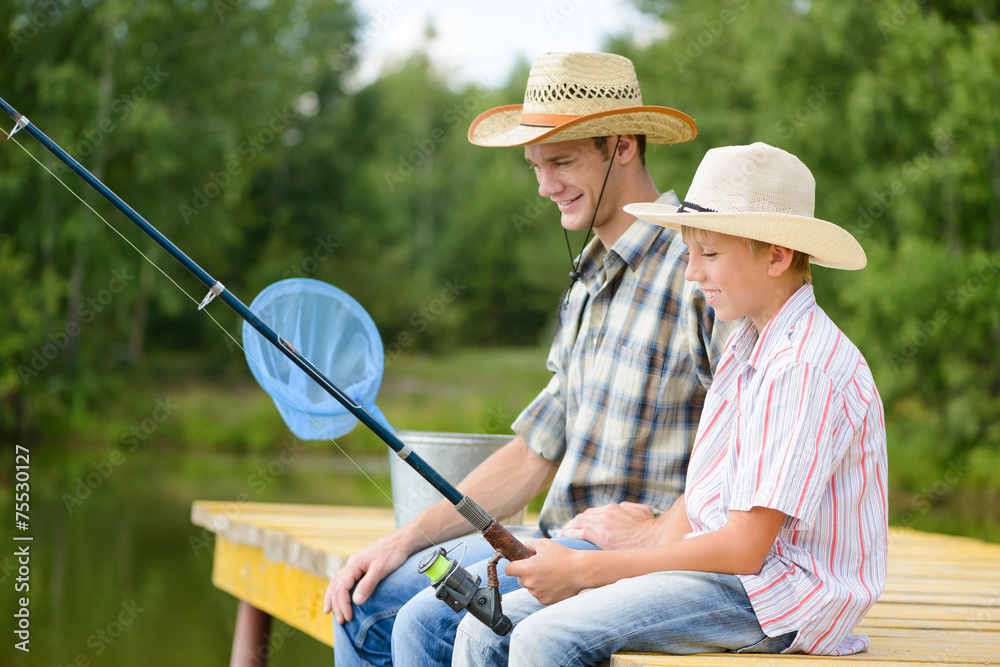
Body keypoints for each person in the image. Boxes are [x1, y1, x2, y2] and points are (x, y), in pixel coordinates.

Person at [323, 51, 733, 666]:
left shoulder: (701, 268)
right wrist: (403, 540)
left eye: (562, 161)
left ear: (621, 145)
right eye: (536, 166)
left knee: (428, 623)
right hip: (549, 539)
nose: (544, 186)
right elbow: (535, 450)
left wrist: (652, 533)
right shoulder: (586, 278)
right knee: (366, 598)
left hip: (641, 558)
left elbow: (747, 435)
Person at [452, 142, 888, 665]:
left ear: (777, 254)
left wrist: (583, 570)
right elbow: (714, 508)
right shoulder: (750, 344)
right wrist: (623, 551)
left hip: (775, 596)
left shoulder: (801, 365)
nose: (692, 273)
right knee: (482, 631)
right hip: (724, 576)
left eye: (710, 254)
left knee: (545, 638)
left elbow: (745, 549)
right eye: (688, 253)